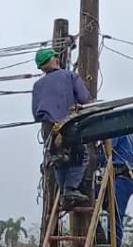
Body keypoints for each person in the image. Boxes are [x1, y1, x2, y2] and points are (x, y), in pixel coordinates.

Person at [31, 47, 93, 207]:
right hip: (67, 124)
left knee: (58, 159)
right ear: (56, 60)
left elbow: (35, 113)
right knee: (81, 155)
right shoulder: (70, 76)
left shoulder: (37, 85)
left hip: (48, 129)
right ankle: (70, 189)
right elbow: (85, 99)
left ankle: (65, 192)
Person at [96, 134, 133, 247]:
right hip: (114, 177)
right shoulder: (121, 127)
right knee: (86, 197)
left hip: (121, 178)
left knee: (115, 218)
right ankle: (98, 232)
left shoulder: (116, 127)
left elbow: (106, 153)